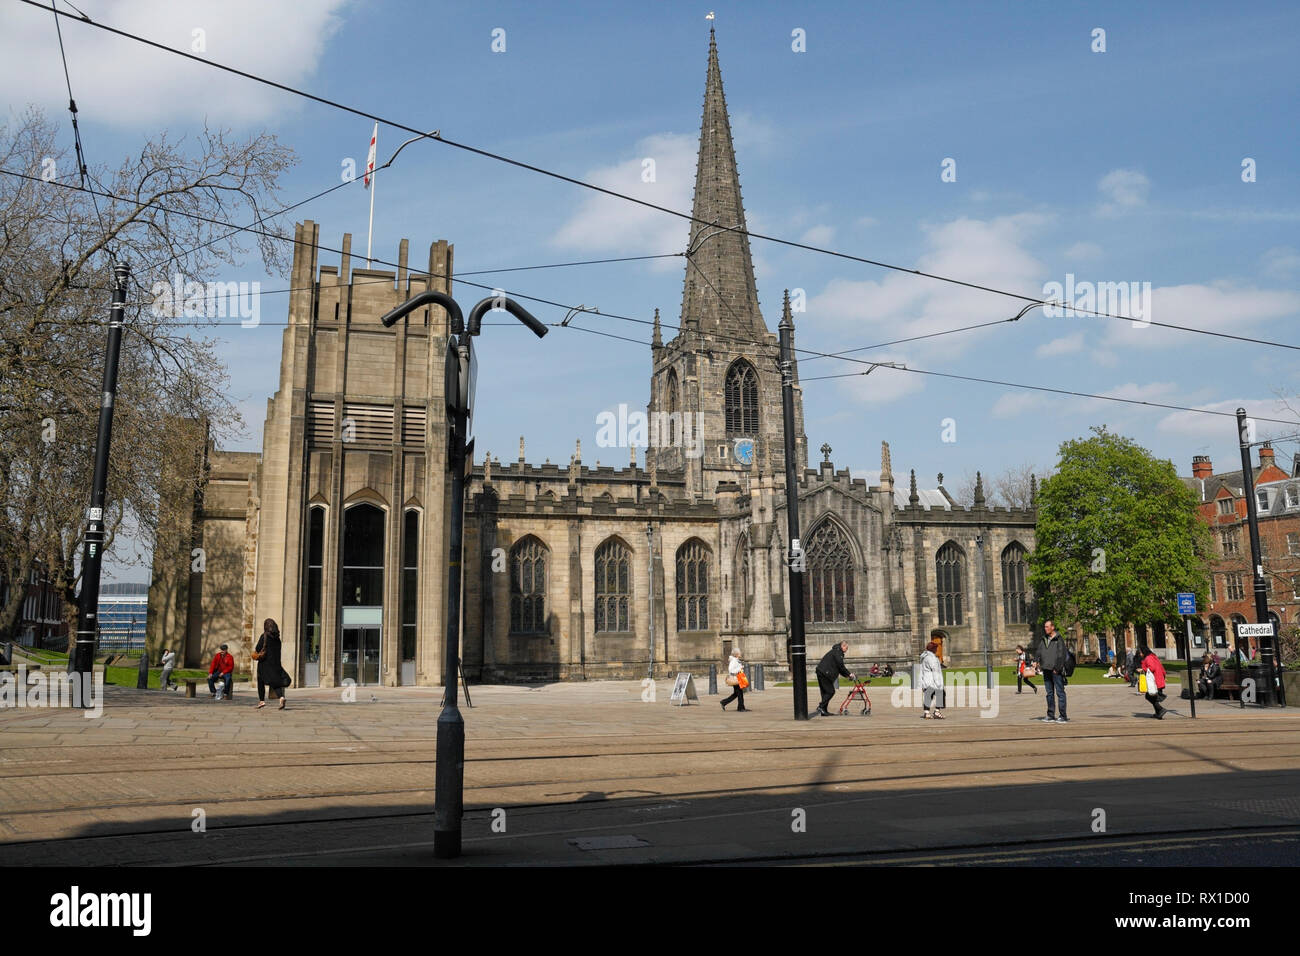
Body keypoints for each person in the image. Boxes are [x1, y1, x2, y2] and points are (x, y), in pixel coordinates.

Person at [1035, 620, 1068, 723]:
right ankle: (1050, 715)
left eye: (1047, 627)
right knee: (1049, 693)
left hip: (1055, 671)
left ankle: (1063, 716)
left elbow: (1061, 656)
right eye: (1045, 627)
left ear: (1052, 627)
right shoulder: (1044, 639)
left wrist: (1057, 669)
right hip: (1046, 670)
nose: (1045, 629)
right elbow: (1039, 651)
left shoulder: (1059, 639)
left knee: (1060, 693)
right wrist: (1036, 661)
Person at [813, 640, 856, 717]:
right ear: (843, 646)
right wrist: (849, 674)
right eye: (846, 648)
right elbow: (841, 666)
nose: (847, 650)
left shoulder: (836, 651)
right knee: (830, 691)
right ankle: (820, 706)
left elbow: (839, 669)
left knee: (825, 692)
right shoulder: (838, 652)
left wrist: (847, 675)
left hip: (821, 671)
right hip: (824, 673)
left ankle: (824, 711)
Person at [253, 619, 289, 710]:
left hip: (265, 663)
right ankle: (281, 698)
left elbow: (257, 648)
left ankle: (261, 701)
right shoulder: (277, 639)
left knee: (260, 680)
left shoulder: (264, 636)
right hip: (276, 663)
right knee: (274, 682)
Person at [1139, 644, 1168, 718]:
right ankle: (1158, 713)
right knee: (1154, 697)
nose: (1140, 654)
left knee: (1149, 696)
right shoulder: (1153, 657)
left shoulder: (1148, 658)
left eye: (1140, 652)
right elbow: (1161, 667)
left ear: (1144, 652)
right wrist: (1164, 676)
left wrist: (1142, 669)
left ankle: (1160, 709)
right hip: (1159, 679)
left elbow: (1152, 668)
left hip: (1154, 681)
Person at [919, 640, 945, 718]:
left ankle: (926, 713)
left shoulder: (924, 657)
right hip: (932, 681)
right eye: (936, 648)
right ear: (933, 649)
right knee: (941, 694)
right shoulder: (932, 658)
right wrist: (939, 683)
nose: (937, 649)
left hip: (926, 680)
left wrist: (922, 682)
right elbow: (935, 671)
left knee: (928, 696)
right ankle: (937, 712)